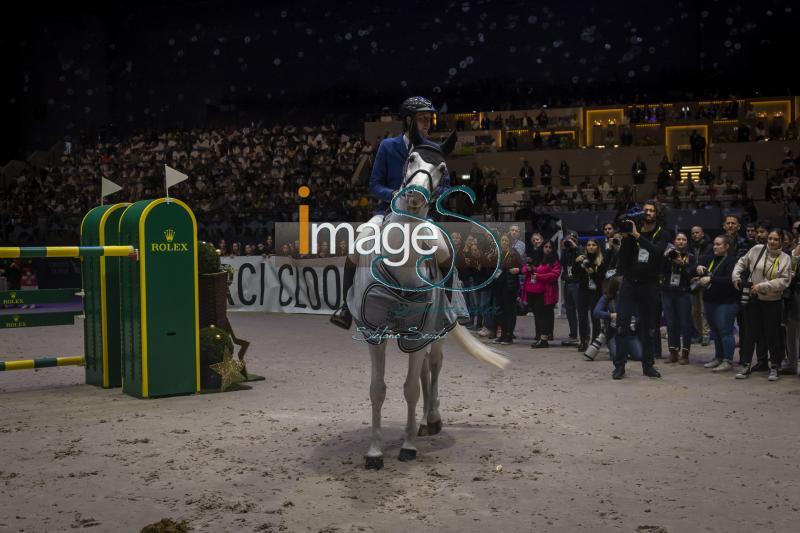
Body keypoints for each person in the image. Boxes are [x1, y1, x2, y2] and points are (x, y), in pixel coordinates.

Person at [330, 96, 436, 329]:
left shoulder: (432, 149)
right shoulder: (388, 147)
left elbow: (444, 182)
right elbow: (374, 185)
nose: (428, 123)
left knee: (445, 249)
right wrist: (397, 195)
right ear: (408, 121)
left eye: (429, 119)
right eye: (422, 119)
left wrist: (432, 195)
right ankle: (345, 307)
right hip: (386, 212)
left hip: (422, 217)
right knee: (358, 245)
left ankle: (449, 309)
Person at [615, 201, 671, 379]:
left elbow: (656, 252)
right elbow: (624, 258)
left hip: (650, 284)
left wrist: (637, 236)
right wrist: (626, 237)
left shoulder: (663, 233)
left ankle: (648, 365)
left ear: (657, 214)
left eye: (651, 210)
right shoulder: (632, 232)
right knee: (622, 324)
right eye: (645, 210)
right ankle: (619, 366)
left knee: (648, 327)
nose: (647, 213)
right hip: (630, 282)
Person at [732, 230, 792, 380]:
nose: (771, 242)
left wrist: (763, 286)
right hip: (753, 300)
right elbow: (741, 262)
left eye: (775, 239)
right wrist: (736, 275)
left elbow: (784, 281)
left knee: (772, 335)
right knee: (750, 334)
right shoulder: (757, 249)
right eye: (770, 238)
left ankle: (775, 367)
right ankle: (746, 365)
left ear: (782, 241)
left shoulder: (785, 258)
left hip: (773, 302)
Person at [696, 235, 740, 372]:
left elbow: (729, 281)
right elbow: (694, 267)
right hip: (710, 300)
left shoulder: (733, 261)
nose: (715, 246)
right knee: (715, 331)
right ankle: (718, 357)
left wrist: (711, 279)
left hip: (726, 302)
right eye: (714, 244)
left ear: (726, 247)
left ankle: (727, 360)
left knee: (725, 332)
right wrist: (698, 267)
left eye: (718, 244)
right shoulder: (710, 258)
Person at [661, 232, 696, 364]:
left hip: (683, 293)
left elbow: (692, 275)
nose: (681, 241)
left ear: (687, 242)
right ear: (674, 242)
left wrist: (683, 265)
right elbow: (660, 270)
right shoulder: (668, 255)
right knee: (670, 323)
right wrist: (665, 258)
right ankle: (673, 352)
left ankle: (685, 354)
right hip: (667, 292)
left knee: (685, 324)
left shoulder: (691, 258)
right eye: (678, 239)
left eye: (684, 239)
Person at [592, 276, 643, 364]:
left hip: (630, 333)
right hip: (614, 334)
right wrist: (611, 315)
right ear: (614, 288)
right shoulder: (607, 297)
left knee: (640, 356)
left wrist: (634, 320)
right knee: (617, 357)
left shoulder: (632, 297)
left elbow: (640, 314)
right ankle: (619, 349)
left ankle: (626, 349)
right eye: (620, 289)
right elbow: (596, 312)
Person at [526, 240, 561, 349]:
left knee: (545, 316)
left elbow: (555, 275)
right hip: (537, 291)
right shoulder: (540, 259)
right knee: (539, 315)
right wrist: (531, 269)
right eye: (546, 246)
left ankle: (544, 339)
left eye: (550, 247)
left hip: (548, 292)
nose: (548, 249)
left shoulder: (555, 261)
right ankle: (541, 337)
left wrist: (539, 276)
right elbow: (536, 271)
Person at [491, 234, 523, 345]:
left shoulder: (514, 253)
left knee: (510, 311)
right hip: (499, 286)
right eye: (502, 240)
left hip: (510, 286)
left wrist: (518, 269)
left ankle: (509, 335)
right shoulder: (498, 253)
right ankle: (503, 335)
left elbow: (522, 267)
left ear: (509, 242)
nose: (504, 242)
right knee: (501, 312)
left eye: (506, 240)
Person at [575, 238, 606, 352]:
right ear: (586, 247)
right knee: (582, 317)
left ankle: (594, 342)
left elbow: (601, 279)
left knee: (595, 318)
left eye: (593, 245)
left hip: (595, 292)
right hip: (583, 291)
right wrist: (576, 262)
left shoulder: (600, 260)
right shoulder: (583, 259)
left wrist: (591, 272)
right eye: (589, 245)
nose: (591, 247)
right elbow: (574, 274)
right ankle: (583, 341)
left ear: (597, 247)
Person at [559, 231, 583, 345]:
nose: (570, 241)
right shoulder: (566, 251)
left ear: (576, 240)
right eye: (568, 239)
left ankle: (583, 335)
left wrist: (575, 248)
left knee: (580, 310)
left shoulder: (581, 249)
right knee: (569, 310)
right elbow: (561, 262)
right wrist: (564, 248)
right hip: (568, 283)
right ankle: (573, 334)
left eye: (572, 239)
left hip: (577, 283)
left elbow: (583, 259)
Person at [689, 226, 711, 345]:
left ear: (702, 233)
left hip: (704, 281)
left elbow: (711, 263)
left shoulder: (710, 247)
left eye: (697, 233)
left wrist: (703, 276)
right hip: (693, 281)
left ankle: (706, 334)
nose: (695, 235)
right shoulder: (690, 247)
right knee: (695, 310)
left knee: (703, 310)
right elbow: (689, 263)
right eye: (693, 233)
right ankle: (698, 333)